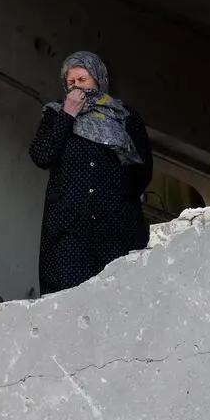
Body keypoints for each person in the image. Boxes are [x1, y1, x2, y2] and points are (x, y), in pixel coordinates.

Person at [29, 51, 153, 295]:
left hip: (116, 229)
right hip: (69, 230)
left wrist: (117, 200)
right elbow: (42, 155)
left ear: (98, 79)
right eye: (71, 82)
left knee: (116, 295)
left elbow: (142, 171)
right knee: (69, 298)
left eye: (82, 80)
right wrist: (68, 115)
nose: (77, 87)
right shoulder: (55, 114)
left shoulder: (124, 117)